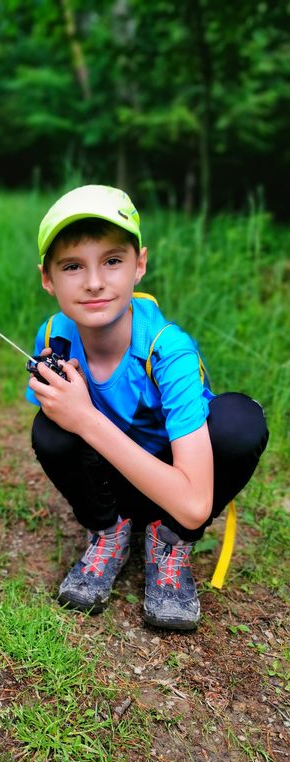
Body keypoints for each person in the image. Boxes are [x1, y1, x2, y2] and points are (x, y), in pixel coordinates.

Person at [27, 185, 268, 631]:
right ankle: (109, 529)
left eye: (113, 261)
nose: (95, 282)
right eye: (73, 266)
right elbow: (59, 427)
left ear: (139, 264)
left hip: (178, 485)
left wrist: (85, 417)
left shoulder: (167, 350)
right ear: (48, 278)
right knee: (49, 425)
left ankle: (169, 540)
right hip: (114, 484)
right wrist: (60, 398)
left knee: (240, 422)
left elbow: (196, 502)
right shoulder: (53, 335)